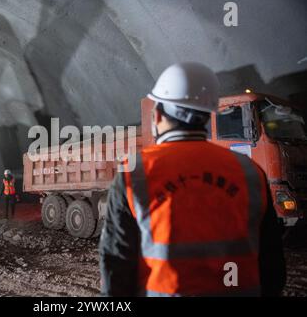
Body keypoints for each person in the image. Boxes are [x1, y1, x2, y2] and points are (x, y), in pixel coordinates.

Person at [99, 62, 286, 297]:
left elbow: (116, 265)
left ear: (157, 114)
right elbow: (273, 269)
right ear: (208, 117)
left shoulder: (134, 173)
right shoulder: (250, 171)